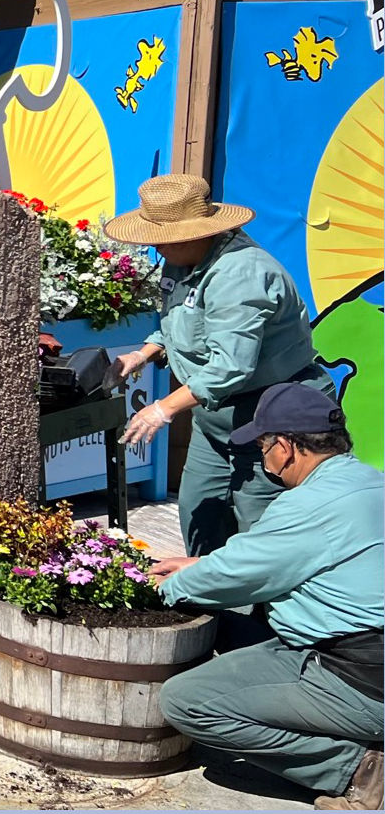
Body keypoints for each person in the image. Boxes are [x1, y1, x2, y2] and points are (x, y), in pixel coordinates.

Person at [147, 383, 382, 809]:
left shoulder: (306, 505)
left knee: (186, 701)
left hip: (362, 680)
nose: (263, 458)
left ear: (288, 447)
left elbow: (235, 577)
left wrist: (164, 588)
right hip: (367, 663)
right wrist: (199, 563)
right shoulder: (368, 481)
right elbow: (267, 556)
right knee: (235, 630)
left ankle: (357, 770)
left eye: (263, 445)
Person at [105, 174, 330, 556]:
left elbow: (231, 366)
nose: (156, 247)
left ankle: (258, 616)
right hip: (217, 420)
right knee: (198, 512)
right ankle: (212, 606)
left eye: (163, 239)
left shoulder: (240, 273)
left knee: (260, 527)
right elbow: (179, 323)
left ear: (195, 234)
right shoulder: (180, 261)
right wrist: (141, 354)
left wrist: (163, 409)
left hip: (273, 415)